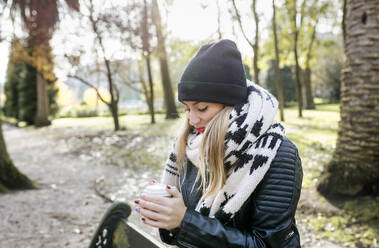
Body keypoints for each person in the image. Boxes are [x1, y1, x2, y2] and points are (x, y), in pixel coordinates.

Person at [134, 39, 303, 247]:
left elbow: (267, 244)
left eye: (202, 108)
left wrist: (185, 222)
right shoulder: (191, 145)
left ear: (232, 106)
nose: (192, 120)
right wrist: (168, 216)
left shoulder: (277, 154)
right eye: (187, 109)